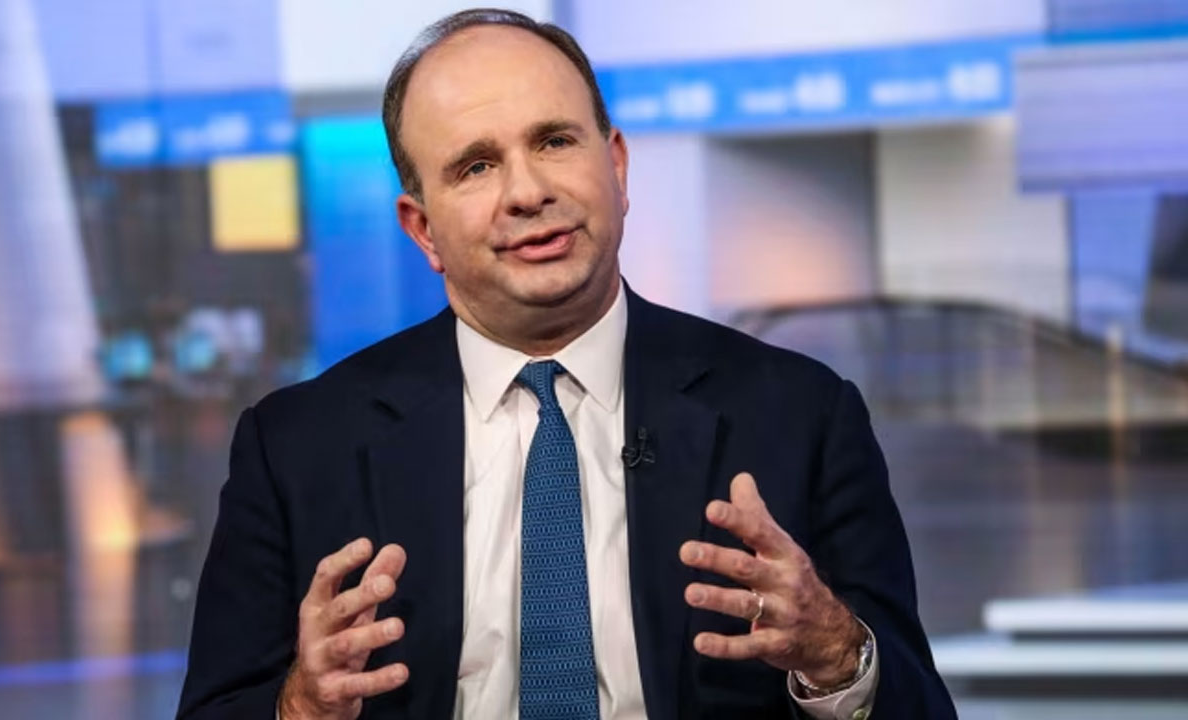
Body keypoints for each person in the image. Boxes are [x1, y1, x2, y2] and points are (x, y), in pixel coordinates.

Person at [177, 9, 956, 720]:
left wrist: (836, 656)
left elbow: (919, 709)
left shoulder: (800, 414)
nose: (527, 192)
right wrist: (300, 708)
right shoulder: (296, 448)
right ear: (423, 230)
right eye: (476, 167)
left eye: (554, 141)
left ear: (616, 166)